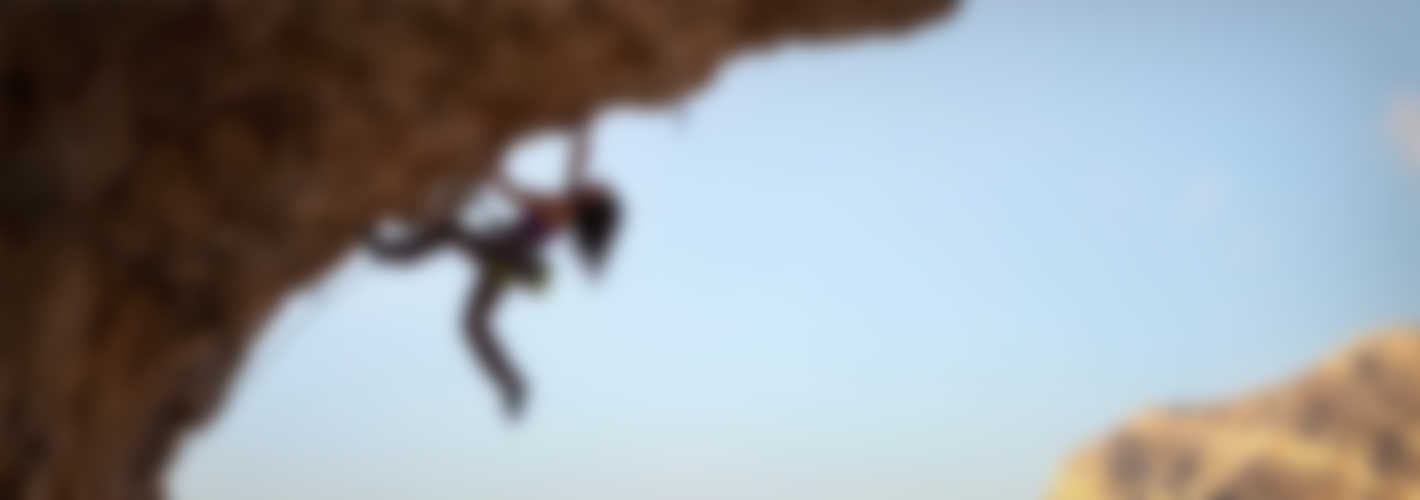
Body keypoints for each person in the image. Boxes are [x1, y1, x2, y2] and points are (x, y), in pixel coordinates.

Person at [366, 120, 619, 419]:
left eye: (602, 190)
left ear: (593, 204)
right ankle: (514, 385)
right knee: (474, 322)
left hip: (508, 251)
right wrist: (584, 126)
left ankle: (387, 252)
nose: (600, 183)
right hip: (509, 258)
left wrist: (489, 169)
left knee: (448, 233)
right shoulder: (571, 203)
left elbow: (518, 195)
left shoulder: (563, 208)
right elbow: (578, 161)